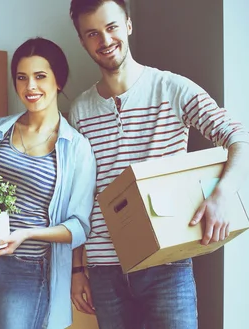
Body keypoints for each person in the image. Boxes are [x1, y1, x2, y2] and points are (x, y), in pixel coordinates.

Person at [67, 1, 249, 328]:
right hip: (105, 269)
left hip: (167, 262)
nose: (105, 40)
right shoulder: (80, 110)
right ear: (82, 41)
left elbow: (240, 139)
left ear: (128, 25)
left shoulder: (171, 88)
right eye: (92, 33)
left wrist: (222, 194)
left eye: (111, 27)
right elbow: (80, 197)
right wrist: (77, 270)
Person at [0, 37, 96, 329]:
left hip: (26, 269)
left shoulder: (76, 147)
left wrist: (26, 234)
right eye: (22, 78)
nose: (30, 87)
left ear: (58, 81)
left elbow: (79, 227)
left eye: (40, 76)